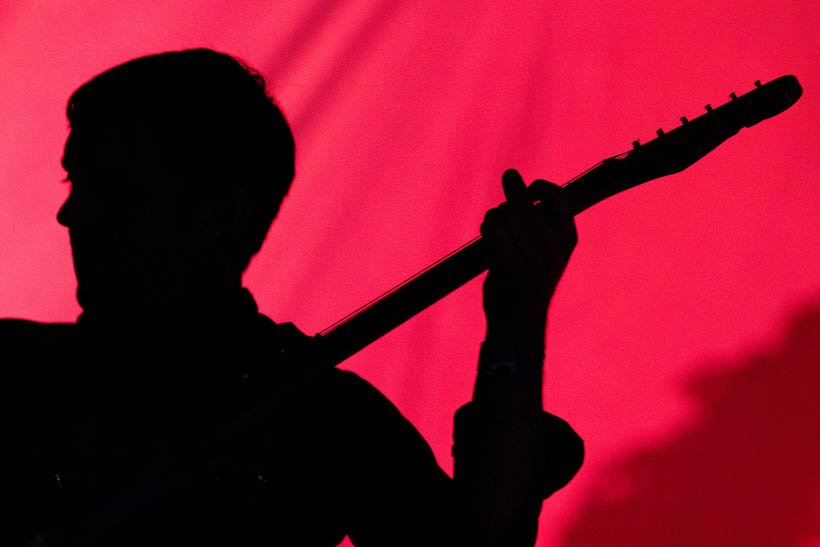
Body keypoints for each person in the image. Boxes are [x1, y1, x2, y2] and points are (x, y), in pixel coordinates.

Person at [4, 48, 583, 546]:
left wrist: (517, 319)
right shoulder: (15, 366)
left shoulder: (322, 418)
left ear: (220, 218)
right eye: (73, 182)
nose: (71, 213)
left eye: (113, 191)